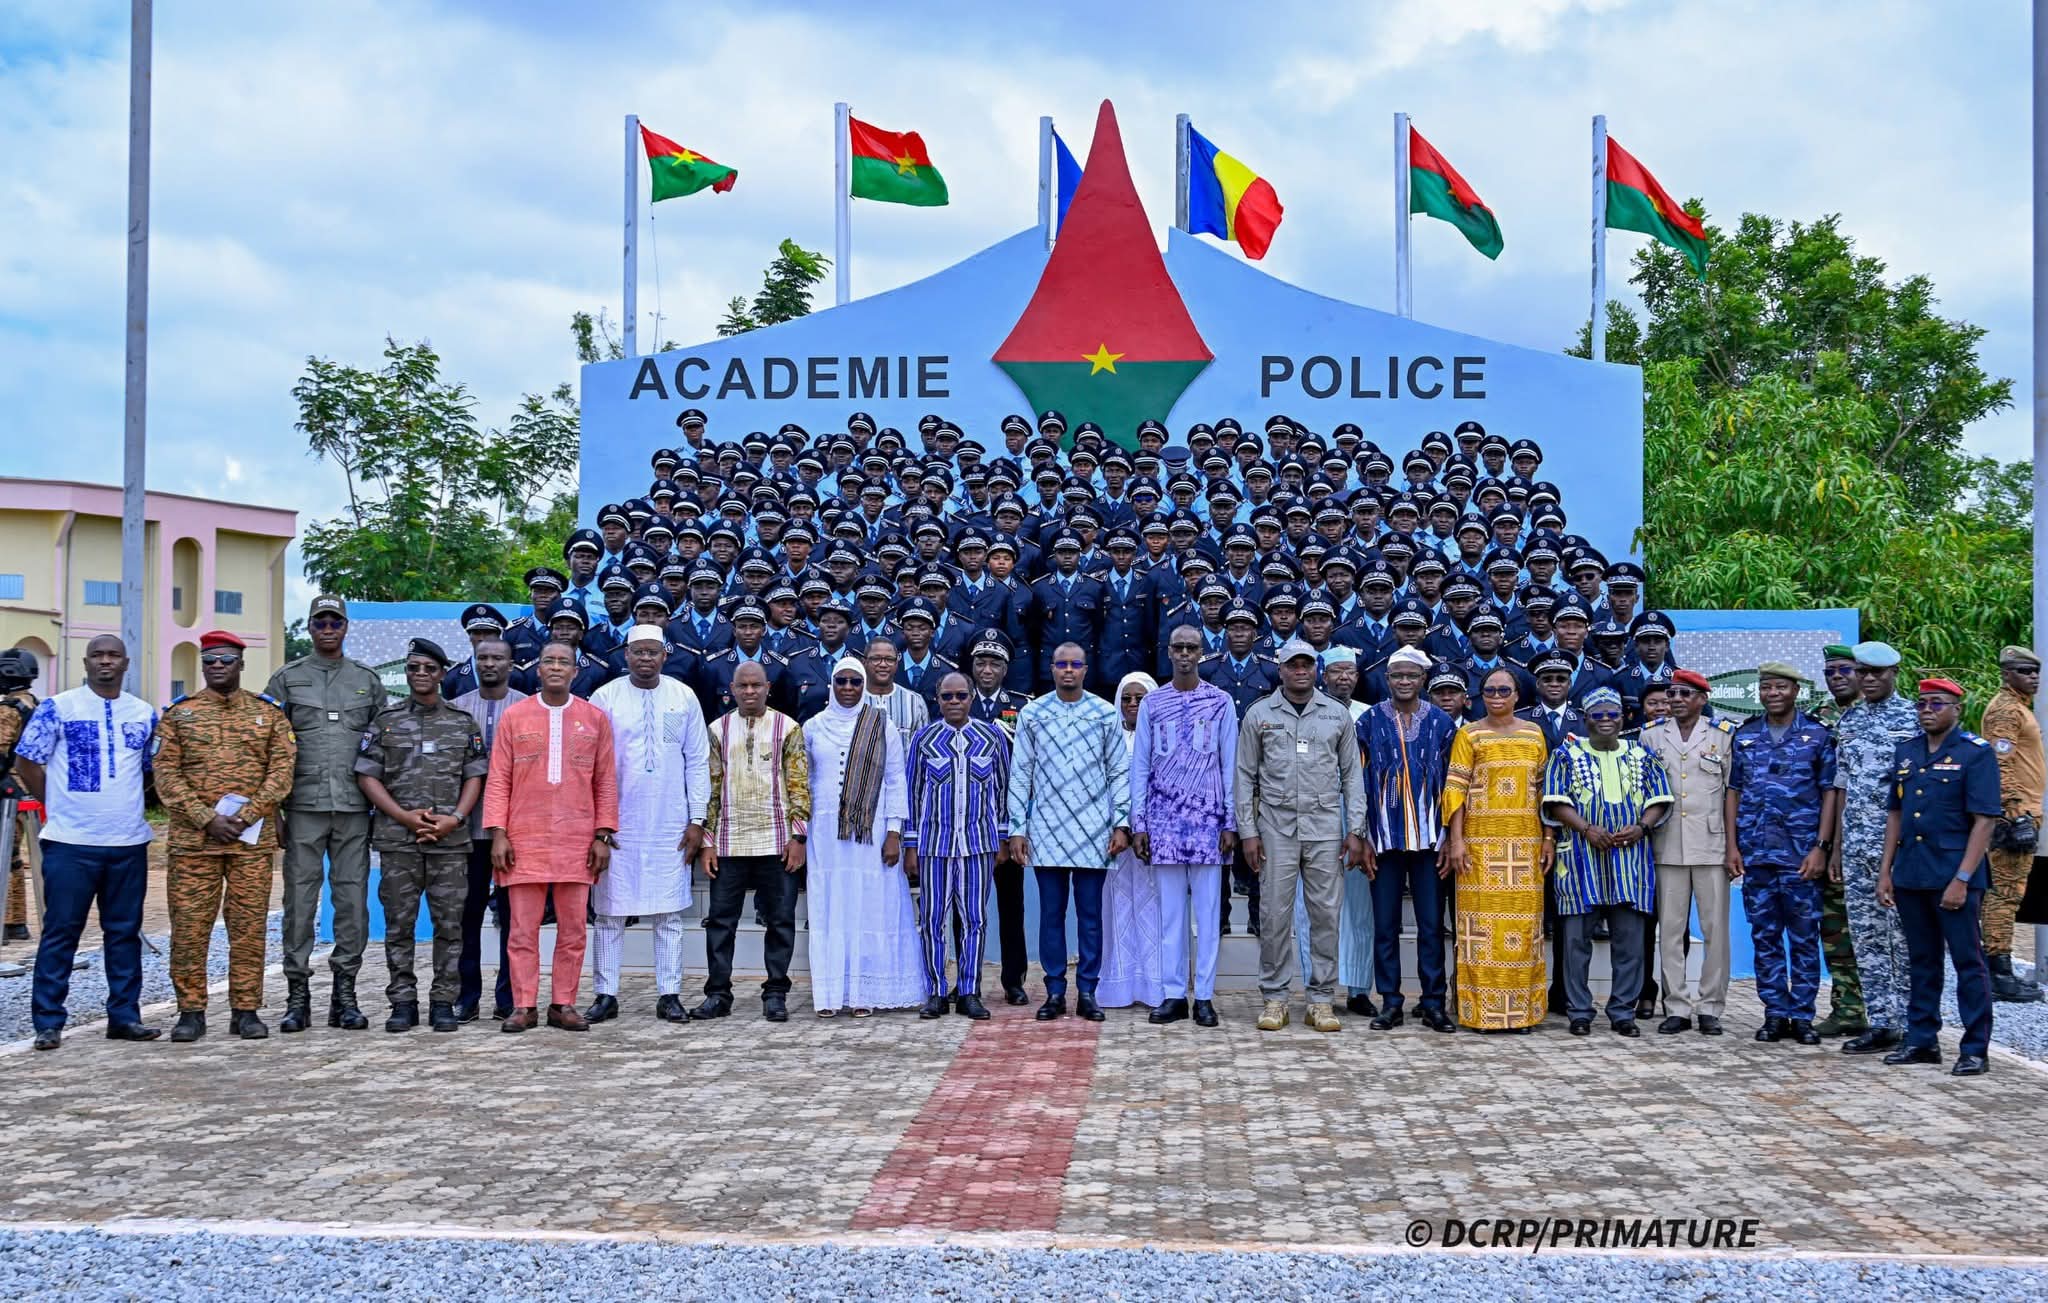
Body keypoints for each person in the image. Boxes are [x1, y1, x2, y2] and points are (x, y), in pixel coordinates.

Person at [13, 635, 160, 1051]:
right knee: (62, 932)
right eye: (98, 655)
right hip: (70, 841)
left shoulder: (143, 713)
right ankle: (47, 1021)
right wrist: (54, 803)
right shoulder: (58, 707)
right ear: (86, 661)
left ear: (126, 663)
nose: (105, 662)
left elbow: (148, 769)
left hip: (128, 843)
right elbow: (27, 761)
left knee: (124, 932)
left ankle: (125, 1017)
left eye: (113, 655)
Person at [151, 630, 297, 1043]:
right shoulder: (180, 715)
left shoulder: (268, 714)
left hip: (250, 843)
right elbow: (165, 774)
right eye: (210, 660)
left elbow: (281, 771)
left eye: (226, 660)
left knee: (248, 927)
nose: (218, 667)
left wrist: (249, 814)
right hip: (194, 843)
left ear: (241, 664)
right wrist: (205, 818)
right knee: (190, 928)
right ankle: (191, 1011)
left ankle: (246, 1010)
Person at [481, 642, 619, 1034]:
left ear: (575, 671)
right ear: (537, 669)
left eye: (564, 662)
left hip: (577, 839)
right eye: (549, 661)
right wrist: (498, 834)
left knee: (574, 929)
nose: (556, 667)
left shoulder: (594, 718)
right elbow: (499, 779)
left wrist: (602, 835)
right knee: (522, 930)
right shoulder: (515, 715)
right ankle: (523, 1005)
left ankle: (563, 1003)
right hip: (524, 839)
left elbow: (605, 781)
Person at [266, 594, 388, 1034]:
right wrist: (272, 812)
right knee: (299, 902)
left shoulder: (366, 681)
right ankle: (297, 995)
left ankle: (345, 994)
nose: (328, 629)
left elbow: (381, 746)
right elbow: (271, 748)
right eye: (321, 622)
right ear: (311, 628)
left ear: (346, 627)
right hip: (302, 807)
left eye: (335, 621)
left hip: (354, 809)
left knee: (352, 901)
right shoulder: (286, 679)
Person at [354, 637, 488, 1034]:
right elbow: (367, 775)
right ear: (407, 673)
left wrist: (457, 818)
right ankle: (403, 1002)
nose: (421, 674)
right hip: (399, 841)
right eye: (414, 668)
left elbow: (475, 774)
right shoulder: (386, 721)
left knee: (451, 926)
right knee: (400, 925)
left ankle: (444, 1001)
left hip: (449, 843)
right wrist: (403, 817)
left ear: (442, 673)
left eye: (429, 668)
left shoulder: (462, 723)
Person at [1234, 638, 1367, 1033]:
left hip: (1326, 827)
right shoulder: (1259, 714)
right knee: (1274, 914)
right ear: (1281, 669)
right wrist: (1248, 831)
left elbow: (1351, 777)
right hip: (1275, 827)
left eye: (1307, 664)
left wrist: (1355, 829)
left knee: (1325, 915)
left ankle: (1321, 1000)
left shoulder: (1336, 716)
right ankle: (1275, 998)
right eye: (1293, 664)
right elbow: (1244, 776)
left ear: (1316, 669)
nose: (1300, 671)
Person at [585, 626, 710, 1025]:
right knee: (609, 914)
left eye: (652, 652)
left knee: (669, 915)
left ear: (664, 655)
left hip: (670, 823)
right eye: (638, 652)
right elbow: (593, 764)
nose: (644, 659)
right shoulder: (605, 697)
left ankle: (668, 994)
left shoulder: (683, 695)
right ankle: (606, 995)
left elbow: (698, 760)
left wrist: (697, 820)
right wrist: (600, 827)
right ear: (626, 655)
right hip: (618, 824)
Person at [1876, 678, 2000, 1076]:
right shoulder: (1906, 751)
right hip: (1912, 871)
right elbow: (1896, 814)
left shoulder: (1975, 754)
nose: (1927, 710)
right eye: (1923, 703)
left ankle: (1975, 1048)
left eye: (1938, 704)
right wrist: (1886, 871)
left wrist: (1962, 878)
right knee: (1922, 961)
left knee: (1968, 962)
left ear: (1956, 709)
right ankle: (1922, 1039)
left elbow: (1984, 822)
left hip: (1954, 874)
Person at [1541, 686, 1674, 1037]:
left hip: (1629, 861)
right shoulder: (1566, 755)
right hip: (1582, 861)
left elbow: (1660, 798)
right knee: (1574, 943)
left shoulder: (1641, 755)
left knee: (1629, 941)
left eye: (1611, 715)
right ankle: (1579, 1011)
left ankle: (1622, 1012)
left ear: (1623, 718)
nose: (1604, 721)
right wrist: (1585, 828)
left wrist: (1642, 827)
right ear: (1585, 720)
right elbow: (1554, 801)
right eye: (1597, 715)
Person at [1008, 641, 1130, 1022]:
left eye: (1075, 664)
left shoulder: (1104, 713)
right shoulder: (1033, 713)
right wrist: (1017, 827)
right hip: (1046, 828)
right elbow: (1021, 772)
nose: (1068, 670)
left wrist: (1122, 822)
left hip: (1095, 831)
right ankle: (1055, 990)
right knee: (1051, 914)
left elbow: (1118, 773)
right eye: (1062, 664)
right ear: (1051, 667)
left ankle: (1088, 991)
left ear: (1086, 668)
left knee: (1091, 915)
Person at [1131, 629, 1239, 1027]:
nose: (1184, 654)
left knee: (1208, 916)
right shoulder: (1153, 703)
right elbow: (1140, 765)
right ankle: (1173, 994)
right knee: (1171, 915)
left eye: (1191, 648)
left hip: (1209, 825)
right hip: (1164, 824)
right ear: (1168, 651)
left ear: (1201, 653)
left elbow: (1230, 765)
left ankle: (1205, 996)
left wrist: (1231, 820)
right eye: (1177, 647)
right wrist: (1138, 822)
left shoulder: (1220, 702)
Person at [1727, 662, 1838, 1046]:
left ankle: (1803, 1015)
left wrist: (1821, 848)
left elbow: (1829, 794)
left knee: (1805, 937)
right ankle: (1775, 1012)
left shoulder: (1817, 736)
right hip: (1757, 854)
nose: (1773, 693)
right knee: (1765, 936)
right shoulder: (1745, 736)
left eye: (1780, 687)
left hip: (1801, 855)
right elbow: (1733, 792)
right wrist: (1732, 846)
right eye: (1767, 688)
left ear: (1795, 691)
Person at [804, 656, 922, 1016]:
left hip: (872, 836)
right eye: (842, 682)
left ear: (865, 685)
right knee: (830, 909)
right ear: (831, 685)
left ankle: (863, 994)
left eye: (856, 682)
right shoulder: (812, 727)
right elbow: (804, 783)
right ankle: (830, 995)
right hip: (825, 835)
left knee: (870, 909)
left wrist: (894, 832)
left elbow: (896, 780)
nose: (849, 688)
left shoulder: (880, 724)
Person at [695, 660, 811, 1023]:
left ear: (768, 687)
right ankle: (718, 993)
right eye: (742, 686)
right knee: (720, 921)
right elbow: (710, 788)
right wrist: (707, 842)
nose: (749, 692)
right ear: (731, 689)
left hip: (776, 841)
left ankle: (776, 992)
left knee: (779, 921)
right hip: (729, 842)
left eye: (755, 686)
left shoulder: (787, 728)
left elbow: (799, 785)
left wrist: (798, 837)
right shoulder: (716, 729)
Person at [1441, 667, 1552, 1032]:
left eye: (1505, 689)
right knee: (1479, 933)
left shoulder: (1534, 734)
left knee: (1523, 931)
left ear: (1518, 694)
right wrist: (1456, 841)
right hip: (1479, 851)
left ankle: (1522, 1015)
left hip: (1524, 848)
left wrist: (1549, 838)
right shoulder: (1469, 734)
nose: (1497, 695)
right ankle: (1479, 1013)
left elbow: (1544, 793)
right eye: (1490, 689)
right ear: (1480, 695)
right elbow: (1455, 789)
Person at [1357, 647, 1458, 1033]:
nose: (1403, 681)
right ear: (1387, 679)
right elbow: (1356, 781)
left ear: (1423, 680)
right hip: (1382, 839)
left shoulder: (1442, 723)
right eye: (1397, 675)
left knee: (1431, 925)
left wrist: (1450, 835)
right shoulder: (1367, 722)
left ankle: (1433, 1002)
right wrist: (1363, 835)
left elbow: (1454, 783)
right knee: (1386, 926)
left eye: (1411, 675)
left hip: (1431, 840)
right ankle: (1391, 1002)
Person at [904, 671, 1011, 1020]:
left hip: (978, 845)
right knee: (934, 919)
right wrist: (910, 845)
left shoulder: (992, 737)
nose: (954, 702)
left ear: (971, 698)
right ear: (938, 699)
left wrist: (1003, 839)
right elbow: (913, 795)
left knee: (975, 920)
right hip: (935, 846)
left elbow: (1002, 792)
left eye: (961, 696)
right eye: (947, 696)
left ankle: (969, 991)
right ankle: (935, 991)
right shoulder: (924, 740)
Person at [1831, 640, 1921, 1056]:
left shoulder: (1914, 720)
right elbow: (1843, 786)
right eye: (1861, 673)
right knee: (1865, 936)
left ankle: (1911, 1024)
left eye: (1876, 673)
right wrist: (1834, 848)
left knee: (1902, 938)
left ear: (1893, 674)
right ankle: (1881, 1021)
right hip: (1855, 847)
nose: (1868, 680)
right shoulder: (1848, 722)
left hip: (1899, 847)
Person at [1638, 668, 1737, 1036]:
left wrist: (1732, 846)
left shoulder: (1722, 736)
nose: (1676, 700)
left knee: (1716, 931)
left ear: (1702, 699)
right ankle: (1676, 1006)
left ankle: (1711, 1006)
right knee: (1671, 930)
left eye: (1685, 695)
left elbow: (1731, 793)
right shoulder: (1651, 735)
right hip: (1666, 845)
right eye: (1673, 694)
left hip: (1712, 845)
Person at [449, 636, 526, 1021]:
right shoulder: (458, 709)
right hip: (469, 831)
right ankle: (467, 995)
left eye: (498, 658)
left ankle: (509, 994)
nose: (490, 664)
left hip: (516, 832)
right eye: (483, 657)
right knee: (469, 915)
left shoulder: (527, 707)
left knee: (515, 917)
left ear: (511, 664)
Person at [1976, 646, 2045, 1003]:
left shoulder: (2018, 707)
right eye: (2024, 671)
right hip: (2013, 817)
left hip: (2025, 812)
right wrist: (2016, 815)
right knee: (2005, 893)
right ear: (2006, 674)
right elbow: (1999, 765)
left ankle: (1998, 967)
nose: (2033, 677)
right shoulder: (2005, 710)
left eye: (2035, 671)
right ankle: (1998, 973)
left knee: (2008, 893)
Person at [1097, 672, 1165, 1011]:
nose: (1133, 704)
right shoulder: (1108, 737)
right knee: (1119, 908)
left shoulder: (1163, 737)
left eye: (1140, 698)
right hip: (1115, 839)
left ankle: (1156, 984)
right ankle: (1120, 982)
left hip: (1155, 838)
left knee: (1153, 907)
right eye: (1126, 698)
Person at [1809, 643, 1867, 1035]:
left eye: (1844, 670)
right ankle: (1847, 1009)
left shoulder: (1887, 717)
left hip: (1875, 842)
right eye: (1830, 672)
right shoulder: (1818, 718)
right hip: (1830, 839)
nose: (1837, 678)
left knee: (1879, 935)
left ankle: (1886, 1013)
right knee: (1835, 931)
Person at [0, 648, 38, 944]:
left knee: (6, 857)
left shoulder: (9, 709)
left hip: (7, 791)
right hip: (31, 790)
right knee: (18, 859)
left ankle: (8, 921)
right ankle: (15, 923)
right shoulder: (36, 705)